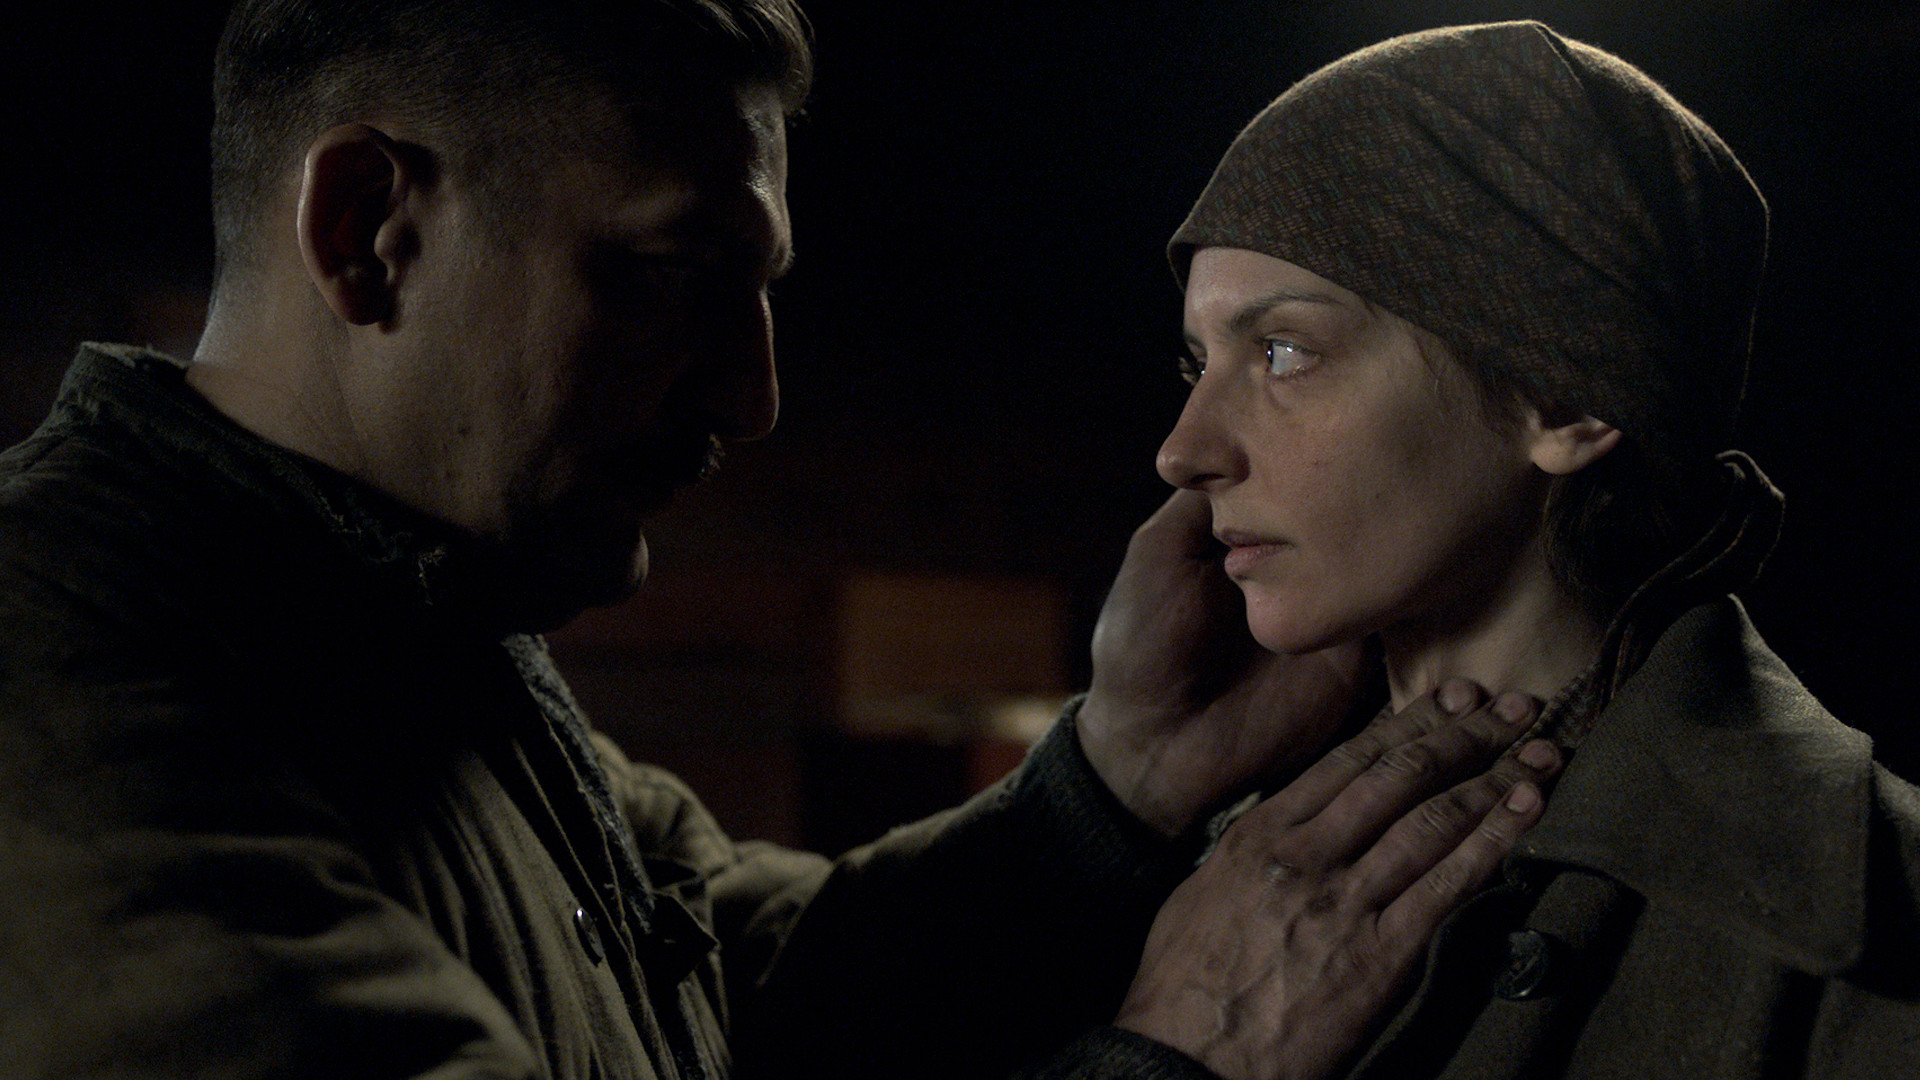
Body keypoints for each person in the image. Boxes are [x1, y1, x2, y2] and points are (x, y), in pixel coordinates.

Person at [0, 3, 1562, 1078]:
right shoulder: (61, 707)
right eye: (676, 274)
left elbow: (745, 985)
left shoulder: (410, 628)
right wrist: (1178, 1054)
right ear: (368, 231)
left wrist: (1114, 784)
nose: (750, 399)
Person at [1082, 20, 1920, 1080]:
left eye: (1284, 351)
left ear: (1563, 396)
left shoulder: (1874, 938)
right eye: (1196, 364)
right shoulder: (1178, 864)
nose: (1184, 451)